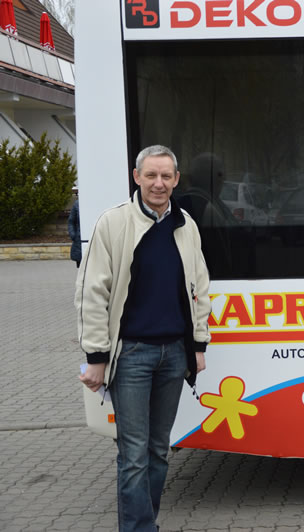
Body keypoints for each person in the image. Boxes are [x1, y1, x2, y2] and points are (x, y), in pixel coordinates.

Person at [75, 145, 212, 531]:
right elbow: (91, 293)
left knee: (158, 450)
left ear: (176, 179)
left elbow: (199, 287)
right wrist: (96, 357)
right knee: (134, 453)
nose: (159, 183)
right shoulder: (113, 223)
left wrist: (197, 345)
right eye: (151, 175)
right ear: (137, 177)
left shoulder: (185, 225)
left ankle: (143, 522)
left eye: (166, 176)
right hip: (131, 354)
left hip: (174, 354)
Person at [67, 192, 81, 267]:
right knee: (81, 270)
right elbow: (71, 222)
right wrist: (73, 235)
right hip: (79, 243)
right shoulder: (77, 204)